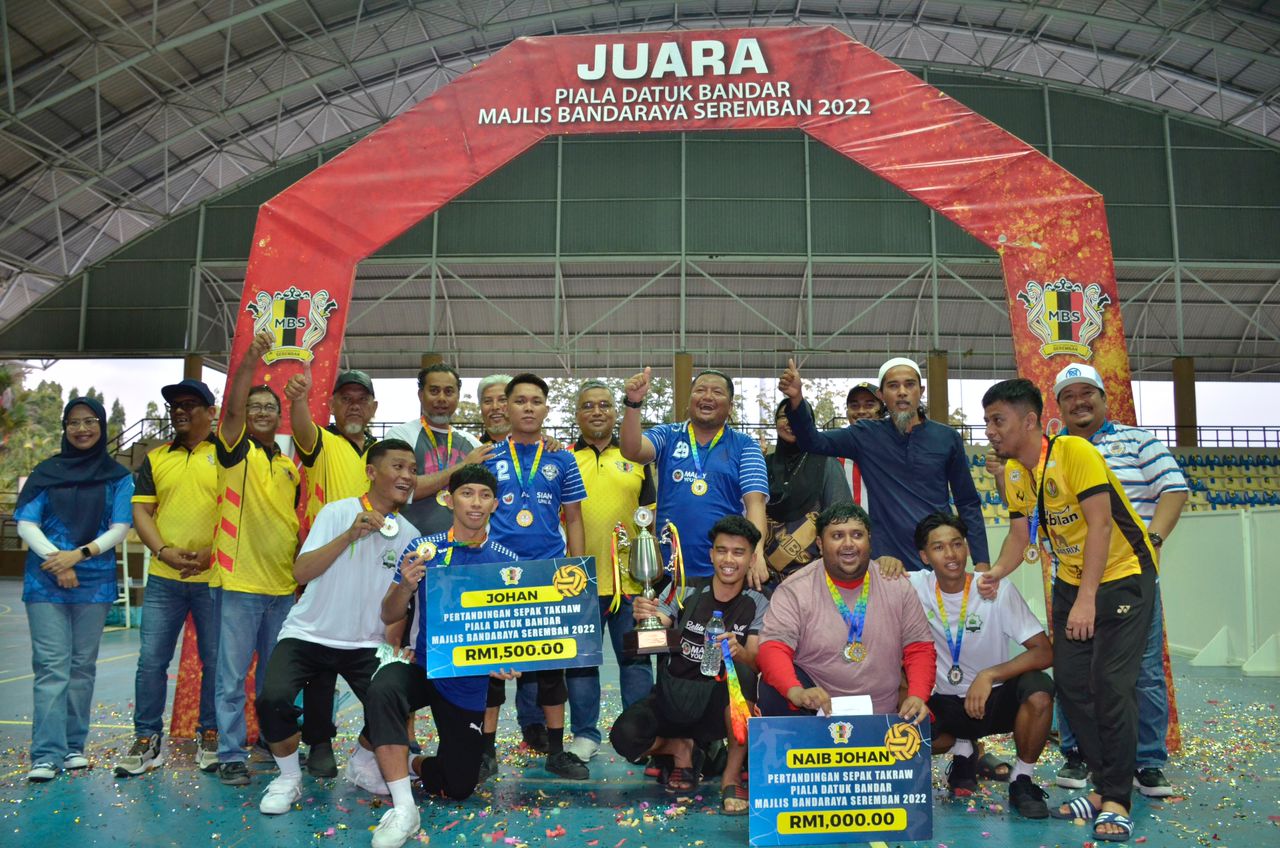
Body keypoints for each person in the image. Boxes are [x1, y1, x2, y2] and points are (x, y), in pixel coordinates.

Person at [980, 378, 1157, 844]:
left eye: (998, 420)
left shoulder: (1075, 453)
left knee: (1112, 686)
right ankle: (1102, 787)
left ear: (1031, 420)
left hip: (1122, 577)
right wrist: (997, 571)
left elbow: (1100, 526)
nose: (991, 431)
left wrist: (1085, 599)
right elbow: (1021, 537)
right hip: (1073, 582)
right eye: (987, 422)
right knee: (1075, 687)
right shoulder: (1017, 473)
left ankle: (1117, 799)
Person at [254, 439, 421, 816]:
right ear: (371, 472)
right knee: (272, 700)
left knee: (398, 700)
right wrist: (349, 535)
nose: (407, 476)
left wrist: (394, 644)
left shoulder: (410, 534)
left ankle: (363, 761)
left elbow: (395, 605)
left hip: (365, 643)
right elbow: (301, 572)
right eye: (398, 466)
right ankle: (288, 778)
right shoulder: (336, 513)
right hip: (308, 633)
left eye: (412, 469)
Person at [364, 463, 521, 848]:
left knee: (459, 786)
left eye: (485, 496)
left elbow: (514, 626)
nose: (476, 502)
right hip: (421, 665)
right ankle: (403, 808)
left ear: (495, 504)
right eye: (467, 493)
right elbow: (388, 614)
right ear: (449, 499)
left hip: (466, 678)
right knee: (383, 688)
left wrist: (507, 657)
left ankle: (407, 764)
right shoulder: (423, 549)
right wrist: (406, 585)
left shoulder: (507, 560)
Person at [1051, 363, 1187, 798]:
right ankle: (1080, 753)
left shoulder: (1138, 441)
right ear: (1059, 407)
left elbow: (1174, 489)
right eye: (1068, 395)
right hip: (1077, 581)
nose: (1079, 401)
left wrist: (1154, 538)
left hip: (1130, 581)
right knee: (1076, 674)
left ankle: (1147, 761)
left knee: (1141, 673)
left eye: (1086, 392)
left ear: (1104, 399)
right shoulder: (1054, 453)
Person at [610, 515, 767, 816]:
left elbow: (758, 660)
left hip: (715, 706)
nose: (729, 559)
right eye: (721, 550)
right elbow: (660, 627)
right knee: (624, 736)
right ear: (711, 555)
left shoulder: (758, 602)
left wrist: (738, 652)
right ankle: (680, 748)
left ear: (751, 557)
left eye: (738, 552)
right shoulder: (684, 590)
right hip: (672, 698)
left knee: (744, 674)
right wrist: (646, 614)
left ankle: (730, 776)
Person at [17, 396, 134, 782]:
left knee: (81, 668)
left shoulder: (118, 476)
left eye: (90, 421)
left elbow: (119, 528)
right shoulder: (45, 471)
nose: (82, 429)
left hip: (94, 582)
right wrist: (58, 560)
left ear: (102, 426)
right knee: (52, 668)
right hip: (45, 582)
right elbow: (26, 524)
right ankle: (46, 754)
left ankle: (72, 748)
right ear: (64, 428)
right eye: (74, 423)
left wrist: (77, 557)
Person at [778, 356, 988, 571]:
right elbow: (812, 441)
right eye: (893, 386)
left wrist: (981, 561)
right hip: (887, 563)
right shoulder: (865, 435)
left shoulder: (947, 438)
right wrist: (796, 399)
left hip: (939, 560)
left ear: (921, 391)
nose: (902, 392)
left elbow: (967, 502)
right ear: (882, 395)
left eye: (909, 384)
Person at [908, 512, 1054, 818]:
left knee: (1040, 689)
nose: (950, 554)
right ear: (924, 556)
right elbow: (864, 572)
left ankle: (1022, 778)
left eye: (957, 544)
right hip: (944, 703)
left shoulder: (995, 589)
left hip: (992, 701)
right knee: (899, 713)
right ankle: (963, 750)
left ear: (967, 548)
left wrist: (989, 675)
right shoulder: (914, 585)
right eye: (938, 547)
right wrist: (885, 562)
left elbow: (1044, 652)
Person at [481, 372, 589, 779]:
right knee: (490, 668)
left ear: (546, 408)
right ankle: (486, 752)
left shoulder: (563, 458)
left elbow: (574, 519)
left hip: (549, 573)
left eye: (536, 401)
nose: (528, 407)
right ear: (505, 408)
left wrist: (577, 575)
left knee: (551, 669)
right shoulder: (487, 457)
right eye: (520, 401)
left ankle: (557, 751)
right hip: (498, 573)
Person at [116, 378, 222, 777]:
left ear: (211, 413)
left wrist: (213, 552)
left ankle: (209, 734)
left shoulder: (228, 455)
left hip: (213, 577)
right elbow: (142, 512)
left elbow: (239, 510)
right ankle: (147, 740)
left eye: (190, 404)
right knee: (151, 662)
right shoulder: (157, 458)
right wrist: (163, 551)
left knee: (215, 662)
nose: (180, 410)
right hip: (164, 577)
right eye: (175, 405)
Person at [209, 332, 301, 786]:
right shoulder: (233, 451)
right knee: (230, 678)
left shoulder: (287, 464)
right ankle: (229, 752)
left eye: (270, 407)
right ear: (244, 414)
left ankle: (269, 740)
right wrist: (250, 360)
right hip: (240, 585)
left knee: (273, 682)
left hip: (282, 589)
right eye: (255, 407)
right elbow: (230, 410)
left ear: (280, 417)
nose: (262, 412)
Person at [286, 365, 383, 777]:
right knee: (321, 660)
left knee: (379, 653)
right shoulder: (321, 442)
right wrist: (296, 400)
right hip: (328, 561)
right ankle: (320, 740)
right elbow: (302, 428)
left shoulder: (385, 452)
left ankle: (379, 734)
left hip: (376, 568)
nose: (354, 405)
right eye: (346, 398)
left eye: (362, 399)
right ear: (333, 405)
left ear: (375, 406)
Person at [755, 501, 934, 722]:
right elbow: (773, 646)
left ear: (869, 540)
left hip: (881, 715)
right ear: (820, 543)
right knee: (771, 688)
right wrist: (796, 692)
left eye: (857, 535)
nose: (848, 544)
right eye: (837, 536)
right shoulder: (795, 589)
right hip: (817, 711)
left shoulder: (896, 585)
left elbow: (919, 647)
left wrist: (917, 695)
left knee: (922, 716)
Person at [566, 380, 657, 768]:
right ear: (578, 415)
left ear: (615, 412)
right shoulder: (563, 458)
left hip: (632, 584)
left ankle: (638, 735)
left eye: (605, 404)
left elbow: (649, 518)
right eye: (589, 406)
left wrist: (653, 578)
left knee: (635, 662)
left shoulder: (637, 457)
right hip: (578, 584)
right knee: (581, 662)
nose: (598, 411)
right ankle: (585, 736)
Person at [620, 367, 769, 587]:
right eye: (700, 390)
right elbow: (632, 451)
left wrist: (756, 552)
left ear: (730, 407)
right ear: (689, 400)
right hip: (669, 571)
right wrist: (633, 403)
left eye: (717, 392)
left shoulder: (745, 446)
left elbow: (755, 504)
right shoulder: (668, 434)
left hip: (724, 570)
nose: (707, 396)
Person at [384, 363, 493, 537]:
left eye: (449, 392)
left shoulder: (472, 444)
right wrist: (464, 465)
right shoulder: (401, 435)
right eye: (434, 391)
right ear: (420, 395)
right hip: (410, 545)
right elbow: (401, 489)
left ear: (458, 396)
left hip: (461, 548)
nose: (441, 398)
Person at [764, 398, 852, 580]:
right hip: (763, 577)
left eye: (796, 417)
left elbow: (841, 519)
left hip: (814, 577)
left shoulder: (827, 463)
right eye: (783, 416)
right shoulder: (763, 464)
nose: (790, 422)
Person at [842, 381, 884, 507]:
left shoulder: (896, 450)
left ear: (882, 411)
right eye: (854, 406)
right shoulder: (832, 454)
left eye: (869, 405)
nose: (861, 411)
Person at [476, 374, 513, 443]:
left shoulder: (535, 448)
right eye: (488, 401)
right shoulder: (470, 449)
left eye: (502, 400)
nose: (495, 407)